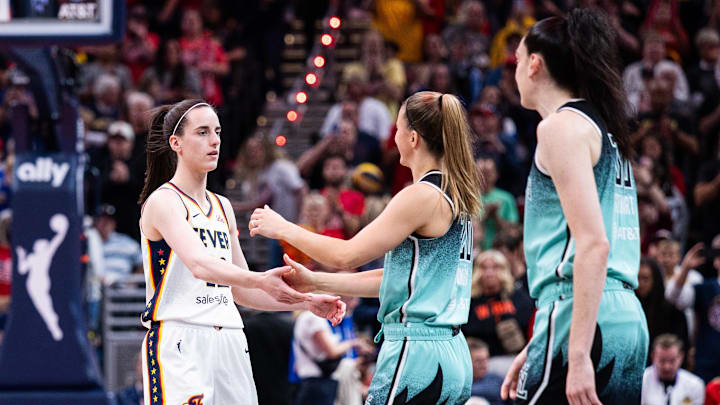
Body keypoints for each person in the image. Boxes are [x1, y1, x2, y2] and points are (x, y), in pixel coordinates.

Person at [249, 90, 482, 404]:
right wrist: (317, 281)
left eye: (397, 129)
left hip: (417, 351)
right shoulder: (455, 194)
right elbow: (397, 279)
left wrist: (284, 227)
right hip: (450, 352)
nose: (393, 137)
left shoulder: (420, 195)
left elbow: (346, 254)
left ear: (413, 138)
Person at [136, 99, 346, 405]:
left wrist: (304, 302)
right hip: (182, 337)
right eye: (203, 132)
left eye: (217, 132)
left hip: (231, 336)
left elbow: (242, 292)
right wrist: (259, 279)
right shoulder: (163, 201)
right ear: (176, 143)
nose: (215, 141)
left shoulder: (223, 206)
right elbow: (200, 264)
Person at [501, 9, 649, 404]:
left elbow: (593, 244)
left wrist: (576, 350)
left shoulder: (559, 127)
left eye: (516, 59)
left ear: (534, 64)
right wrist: (540, 344)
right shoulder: (604, 128)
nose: (514, 70)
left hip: (580, 314)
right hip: (621, 317)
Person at [641, 334, 705, 405]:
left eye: (672, 361)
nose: (667, 367)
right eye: (662, 360)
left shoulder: (695, 385)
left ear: (681, 357)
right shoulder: (641, 382)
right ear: (653, 357)